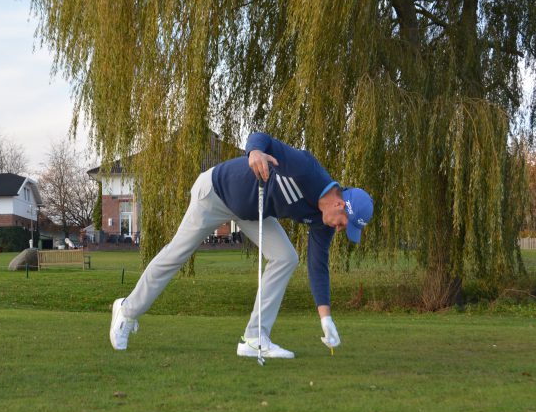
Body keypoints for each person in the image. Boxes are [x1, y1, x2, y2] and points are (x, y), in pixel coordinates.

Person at [109, 132, 374, 359]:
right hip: (215, 193)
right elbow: (263, 139)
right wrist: (255, 151)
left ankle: (255, 338)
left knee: (285, 257)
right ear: (340, 205)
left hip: (250, 212)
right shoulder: (307, 169)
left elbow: (318, 266)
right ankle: (127, 309)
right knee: (177, 254)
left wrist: (325, 318)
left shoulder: (322, 220)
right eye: (344, 224)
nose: (339, 229)